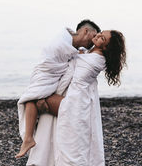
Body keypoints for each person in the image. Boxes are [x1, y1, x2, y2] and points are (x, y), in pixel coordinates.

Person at [26, 30, 126, 166]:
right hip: (74, 101)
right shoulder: (90, 54)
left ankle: (27, 136)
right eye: (101, 33)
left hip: (74, 104)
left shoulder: (95, 59)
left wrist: (72, 48)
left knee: (34, 99)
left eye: (102, 37)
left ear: (107, 47)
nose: (98, 35)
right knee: (72, 147)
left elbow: (73, 62)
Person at [16, 20, 101, 158]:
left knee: (33, 102)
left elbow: (72, 64)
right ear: (86, 31)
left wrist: (43, 97)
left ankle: (29, 140)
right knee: (30, 99)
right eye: (95, 35)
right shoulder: (60, 44)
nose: (94, 41)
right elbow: (48, 68)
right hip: (45, 76)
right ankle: (28, 139)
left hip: (57, 93)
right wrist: (41, 95)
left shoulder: (78, 50)